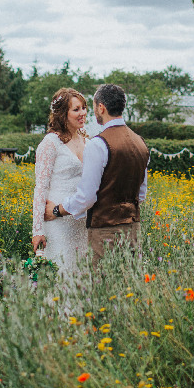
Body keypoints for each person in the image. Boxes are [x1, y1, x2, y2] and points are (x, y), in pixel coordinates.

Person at [45, 83, 148, 268]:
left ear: (101, 107)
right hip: (133, 230)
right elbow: (141, 195)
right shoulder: (140, 143)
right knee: (128, 288)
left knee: (104, 289)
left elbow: (86, 197)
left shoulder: (98, 144)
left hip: (104, 233)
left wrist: (56, 210)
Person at [31, 88, 89, 274]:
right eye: (76, 109)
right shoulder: (50, 143)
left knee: (82, 275)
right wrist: (37, 230)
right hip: (57, 222)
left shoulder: (87, 140)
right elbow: (40, 187)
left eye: (84, 108)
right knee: (62, 274)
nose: (83, 113)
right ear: (63, 114)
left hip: (81, 221)